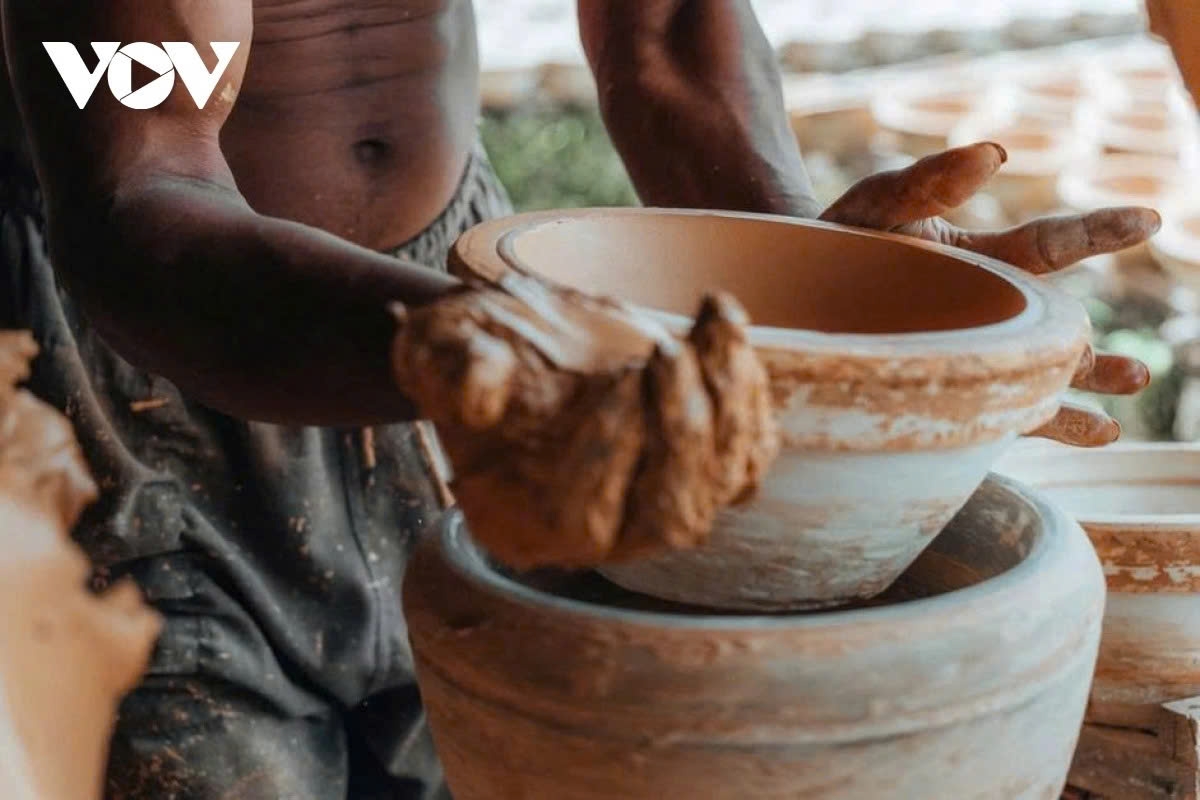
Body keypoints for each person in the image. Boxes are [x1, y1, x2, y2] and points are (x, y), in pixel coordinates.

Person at [0, 1, 1156, 797]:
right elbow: (144, 182)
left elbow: (665, 34)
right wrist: (472, 347)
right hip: (161, 350)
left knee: (498, 730)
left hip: (468, 281)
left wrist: (807, 286)